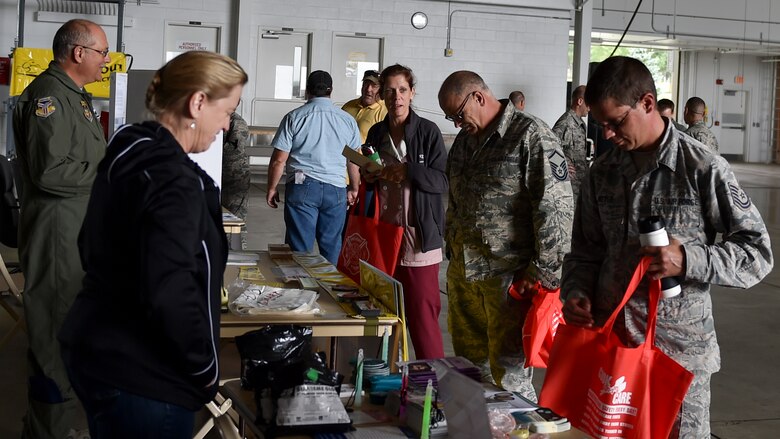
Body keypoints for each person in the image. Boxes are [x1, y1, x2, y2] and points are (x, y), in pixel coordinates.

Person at [562, 56, 773, 438]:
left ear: (646, 103)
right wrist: (575, 290)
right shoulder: (603, 172)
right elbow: (585, 249)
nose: (607, 134)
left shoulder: (701, 167)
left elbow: (757, 255)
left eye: (615, 122)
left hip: (678, 354)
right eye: (601, 125)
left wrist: (688, 259)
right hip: (615, 348)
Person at [58, 51, 247, 438]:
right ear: (197, 102)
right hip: (145, 373)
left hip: (96, 348)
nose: (226, 126)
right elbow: (170, 290)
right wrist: (203, 370)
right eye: (227, 111)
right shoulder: (174, 181)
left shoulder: (131, 149)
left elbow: (88, 245)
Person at [438, 71, 573, 400]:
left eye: (458, 115)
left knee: (508, 378)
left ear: (479, 98)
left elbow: (556, 210)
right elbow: (455, 202)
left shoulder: (531, 135)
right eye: (450, 118)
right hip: (466, 275)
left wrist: (542, 274)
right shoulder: (465, 143)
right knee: (467, 371)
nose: (456, 124)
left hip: (509, 279)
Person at [12, 18, 109, 439]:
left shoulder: (77, 97)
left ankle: (55, 425)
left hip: (74, 232)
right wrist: (108, 172)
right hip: (55, 236)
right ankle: (47, 431)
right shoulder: (49, 97)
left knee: (69, 331)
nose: (106, 61)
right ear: (79, 53)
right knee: (52, 337)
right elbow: (51, 171)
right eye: (102, 53)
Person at [360, 64, 447, 359]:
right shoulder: (377, 132)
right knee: (383, 318)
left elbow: (442, 181)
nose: (396, 96)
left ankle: (433, 388)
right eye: (390, 91)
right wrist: (370, 176)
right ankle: (388, 382)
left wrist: (409, 171)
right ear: (382, 95)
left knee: (422, 320)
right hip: (383, 235)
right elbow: (372, 178)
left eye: (402, 90)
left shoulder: (427, 132)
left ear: (412, 93)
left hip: (417, 239)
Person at [267, 70, 361, 264]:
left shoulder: (294, 117)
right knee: (331, 247)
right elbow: (353, 160)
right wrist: (354, 187)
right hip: (336, 190)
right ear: (331, 91)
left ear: (307, 90)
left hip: (302, 188)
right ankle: (330, 290)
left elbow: (279, 160)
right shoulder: (347, 120)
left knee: (299, 250)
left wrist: (272, 188)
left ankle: (301, 291)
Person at [552, 85, 589, 201]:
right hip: (568, 187)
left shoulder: (579, 123)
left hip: (579, 183)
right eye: (588, 104)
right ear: (580, 101)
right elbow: (550, 146)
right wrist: (562, 164)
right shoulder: (565, 122)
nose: (590, 108)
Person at [222, 111, 251, 248]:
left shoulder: (237, 122)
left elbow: (235, 151)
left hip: (234, 177)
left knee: (236, 221)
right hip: (220, 174)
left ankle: (239, 254)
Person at [342, 69, 388, 143]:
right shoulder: (348, 106)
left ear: (381, 89)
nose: (368, 89)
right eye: (366, 84)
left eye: (374, 86)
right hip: (340, 153)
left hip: (365, 154)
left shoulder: (385, 112)